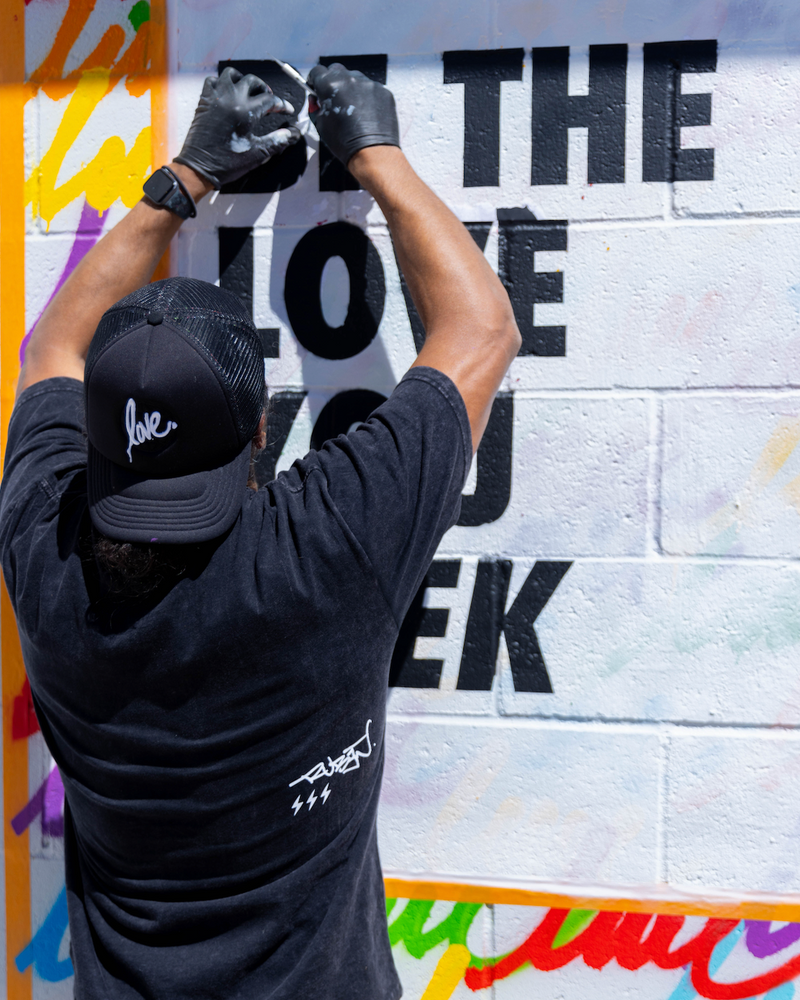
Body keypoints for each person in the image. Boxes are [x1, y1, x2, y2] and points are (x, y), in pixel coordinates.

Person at [0, 63, 520, 999]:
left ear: (96, 447)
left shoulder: (46, 552)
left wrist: (185, 177)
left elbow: (49, 351)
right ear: (259, 440)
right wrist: (379, 157)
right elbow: (482, 330)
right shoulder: (320, 552)